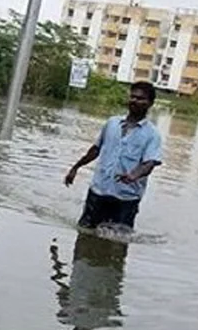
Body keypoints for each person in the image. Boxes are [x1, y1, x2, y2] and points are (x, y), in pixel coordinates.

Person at [63, 81, 163, 230]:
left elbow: (149, 164)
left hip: (126, 198)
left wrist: (133, 175)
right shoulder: (112, 123)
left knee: (118, 238)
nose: (134, 101)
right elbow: (95, 149)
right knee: (85, 231)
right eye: (132, 97)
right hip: (99, 191)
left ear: (150, 103)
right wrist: (76, 167)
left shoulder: (152, 134)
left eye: (140, 98)